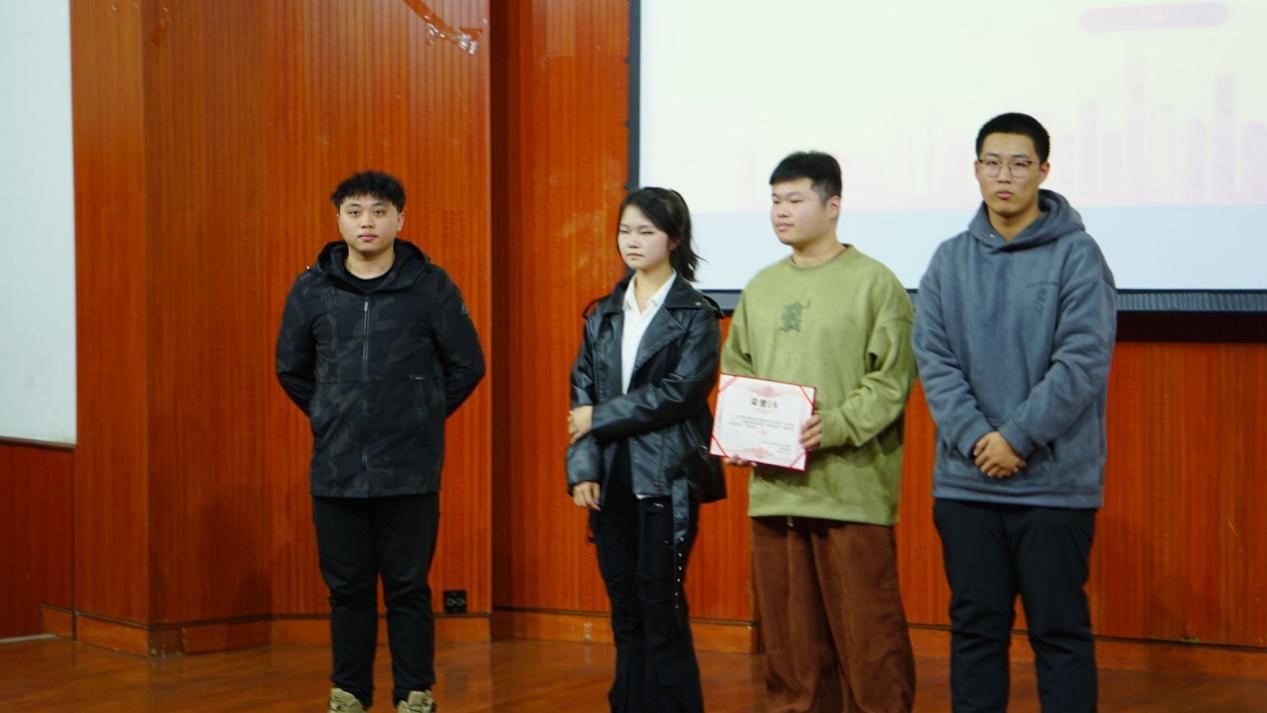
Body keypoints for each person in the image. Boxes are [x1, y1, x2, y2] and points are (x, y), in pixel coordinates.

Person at [912, 112, 1117, 712]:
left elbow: (1082, 362)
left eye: (1020, 163)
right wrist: (980, 438)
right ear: (976, 170)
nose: (1005, 176)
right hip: (967, 483)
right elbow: (934, 359)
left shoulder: (1078, 256)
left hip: (1054, 486)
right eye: (993, 163)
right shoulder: (949, 260)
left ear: (1043, 171)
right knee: (975, 632)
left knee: (1059, 632)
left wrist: (1017, 438)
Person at [276, 170, 485, 713]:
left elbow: (468, 364)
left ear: (399, 219)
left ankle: (415, 691)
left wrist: (421, 415)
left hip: (410, 468)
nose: (366, 222)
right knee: (347, 590)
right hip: (336, 467)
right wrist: (330, 414)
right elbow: (290, 368)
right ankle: (349, 691)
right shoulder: (312, 289)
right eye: (354, 211)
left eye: (378, 211)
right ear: (338, 220)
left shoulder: (431, 285)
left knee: (407, 587)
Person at [721, 151, 917, 712]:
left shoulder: (875, 283)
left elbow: (890, 382)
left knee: (869, 642)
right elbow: (738, 372)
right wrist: (739, 434)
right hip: (776, 490)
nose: (781, 211)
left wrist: (834, 425)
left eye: (795, 199)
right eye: (775, 200)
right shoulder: (760, 287)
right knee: (790, 648)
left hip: (850, 491)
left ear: (833, 206)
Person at [566, 187, 726, 713]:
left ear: (674, 239)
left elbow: (681, 394)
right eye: (624, 231)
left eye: (646, 231)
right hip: (611, 477)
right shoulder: (604, 313)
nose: (631, 241)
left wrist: (601, 417)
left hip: (666, 476)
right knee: (625, 608)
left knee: (661, 606)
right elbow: (582, 392)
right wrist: (582, 468)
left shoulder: (696, 313)